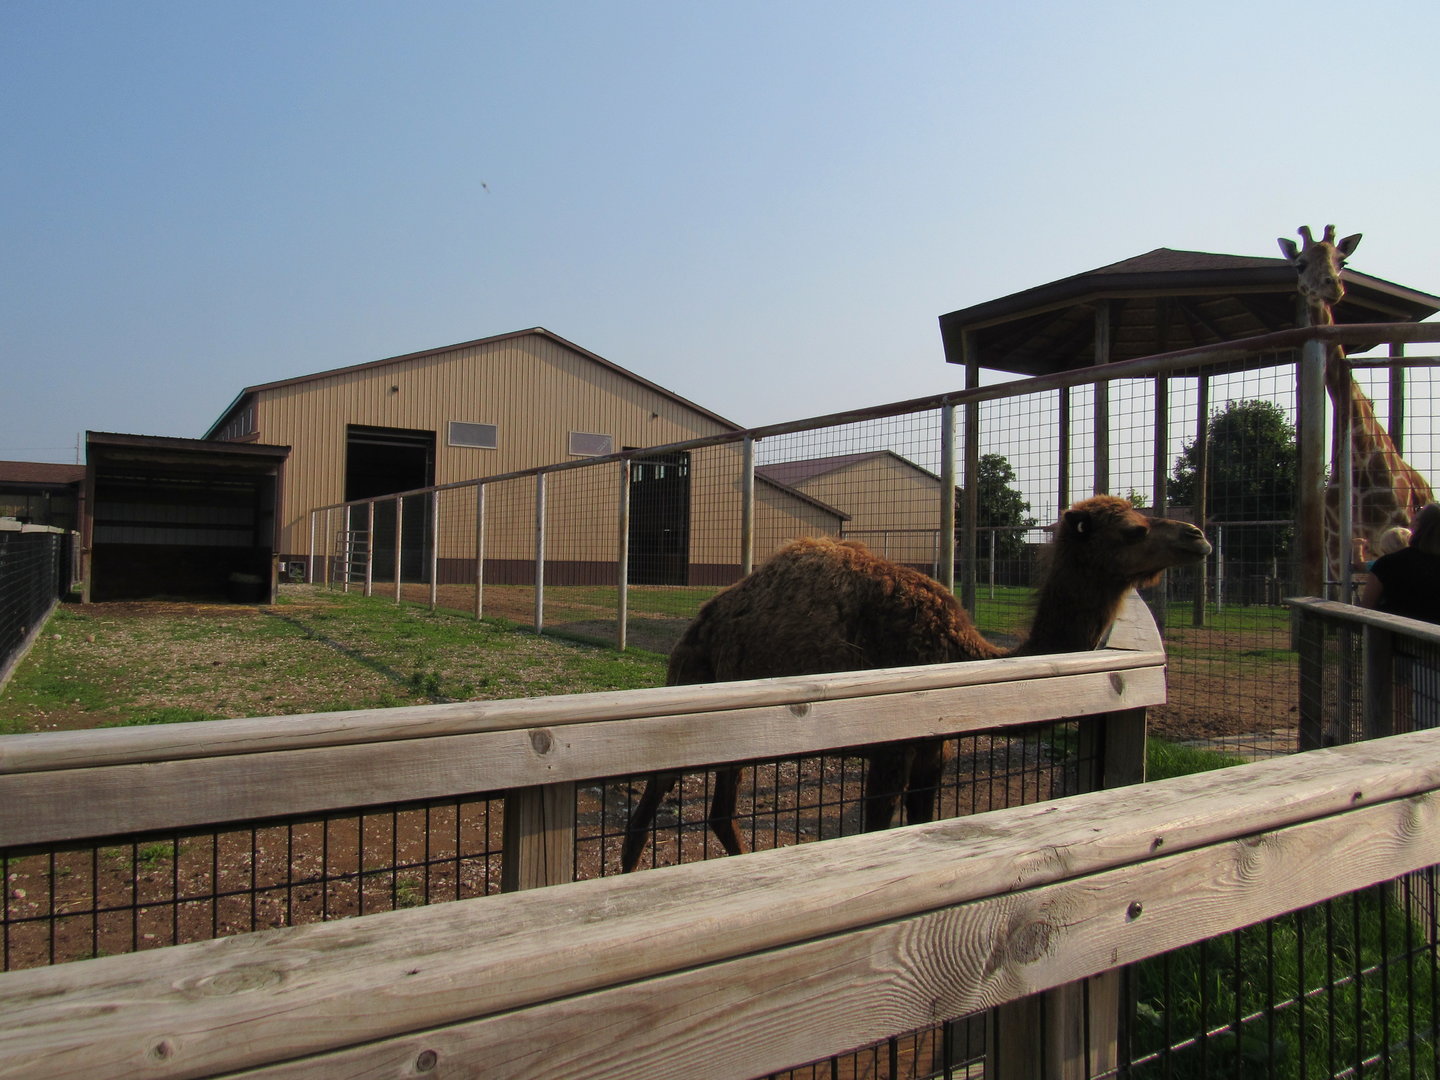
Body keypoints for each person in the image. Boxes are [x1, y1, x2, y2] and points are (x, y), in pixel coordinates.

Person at [1361, 505, 1440, 730]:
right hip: (1435, 647)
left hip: (1397, 647)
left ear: (1416, 528)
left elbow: (1367, 606)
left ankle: (1399, 742)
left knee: (1401, 707)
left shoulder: (1389, 564)